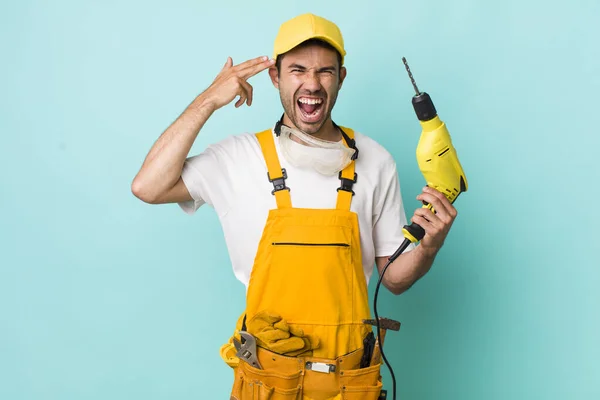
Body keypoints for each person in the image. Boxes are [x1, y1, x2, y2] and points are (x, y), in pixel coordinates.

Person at [132, 12, 457, 400]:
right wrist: (208, 100)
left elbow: (394, 279)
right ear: (275, 77)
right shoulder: (238, 158)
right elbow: (147, 187)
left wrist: (429, 248)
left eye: (325, 72)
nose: (312, 84)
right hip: (268, 382)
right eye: (298, 70)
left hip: (349, 384)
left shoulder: (375, 160)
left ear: (341, 78)